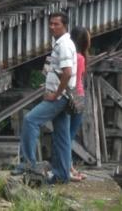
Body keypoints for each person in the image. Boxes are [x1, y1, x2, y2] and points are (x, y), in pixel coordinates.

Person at [15, 12, 76, 184]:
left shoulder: (64, 45)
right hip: (63, 95)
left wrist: (56, 94)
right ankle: (62, 175)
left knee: (30, 120)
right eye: (51, 24)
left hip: (59, 97)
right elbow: (59, 71)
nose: (52, 27)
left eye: (56, 24)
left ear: (65, 26)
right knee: (62, 136)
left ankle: (28, 164)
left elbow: (67, 72)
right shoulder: (60, 43)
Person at [68, 26, 90, 182]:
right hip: (77, 96)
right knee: (69, 135)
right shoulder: (80, 58)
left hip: (68, 94)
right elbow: (77, 82)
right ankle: (67, 168)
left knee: (65, 134)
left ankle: (69, 167)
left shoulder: (67, 55)